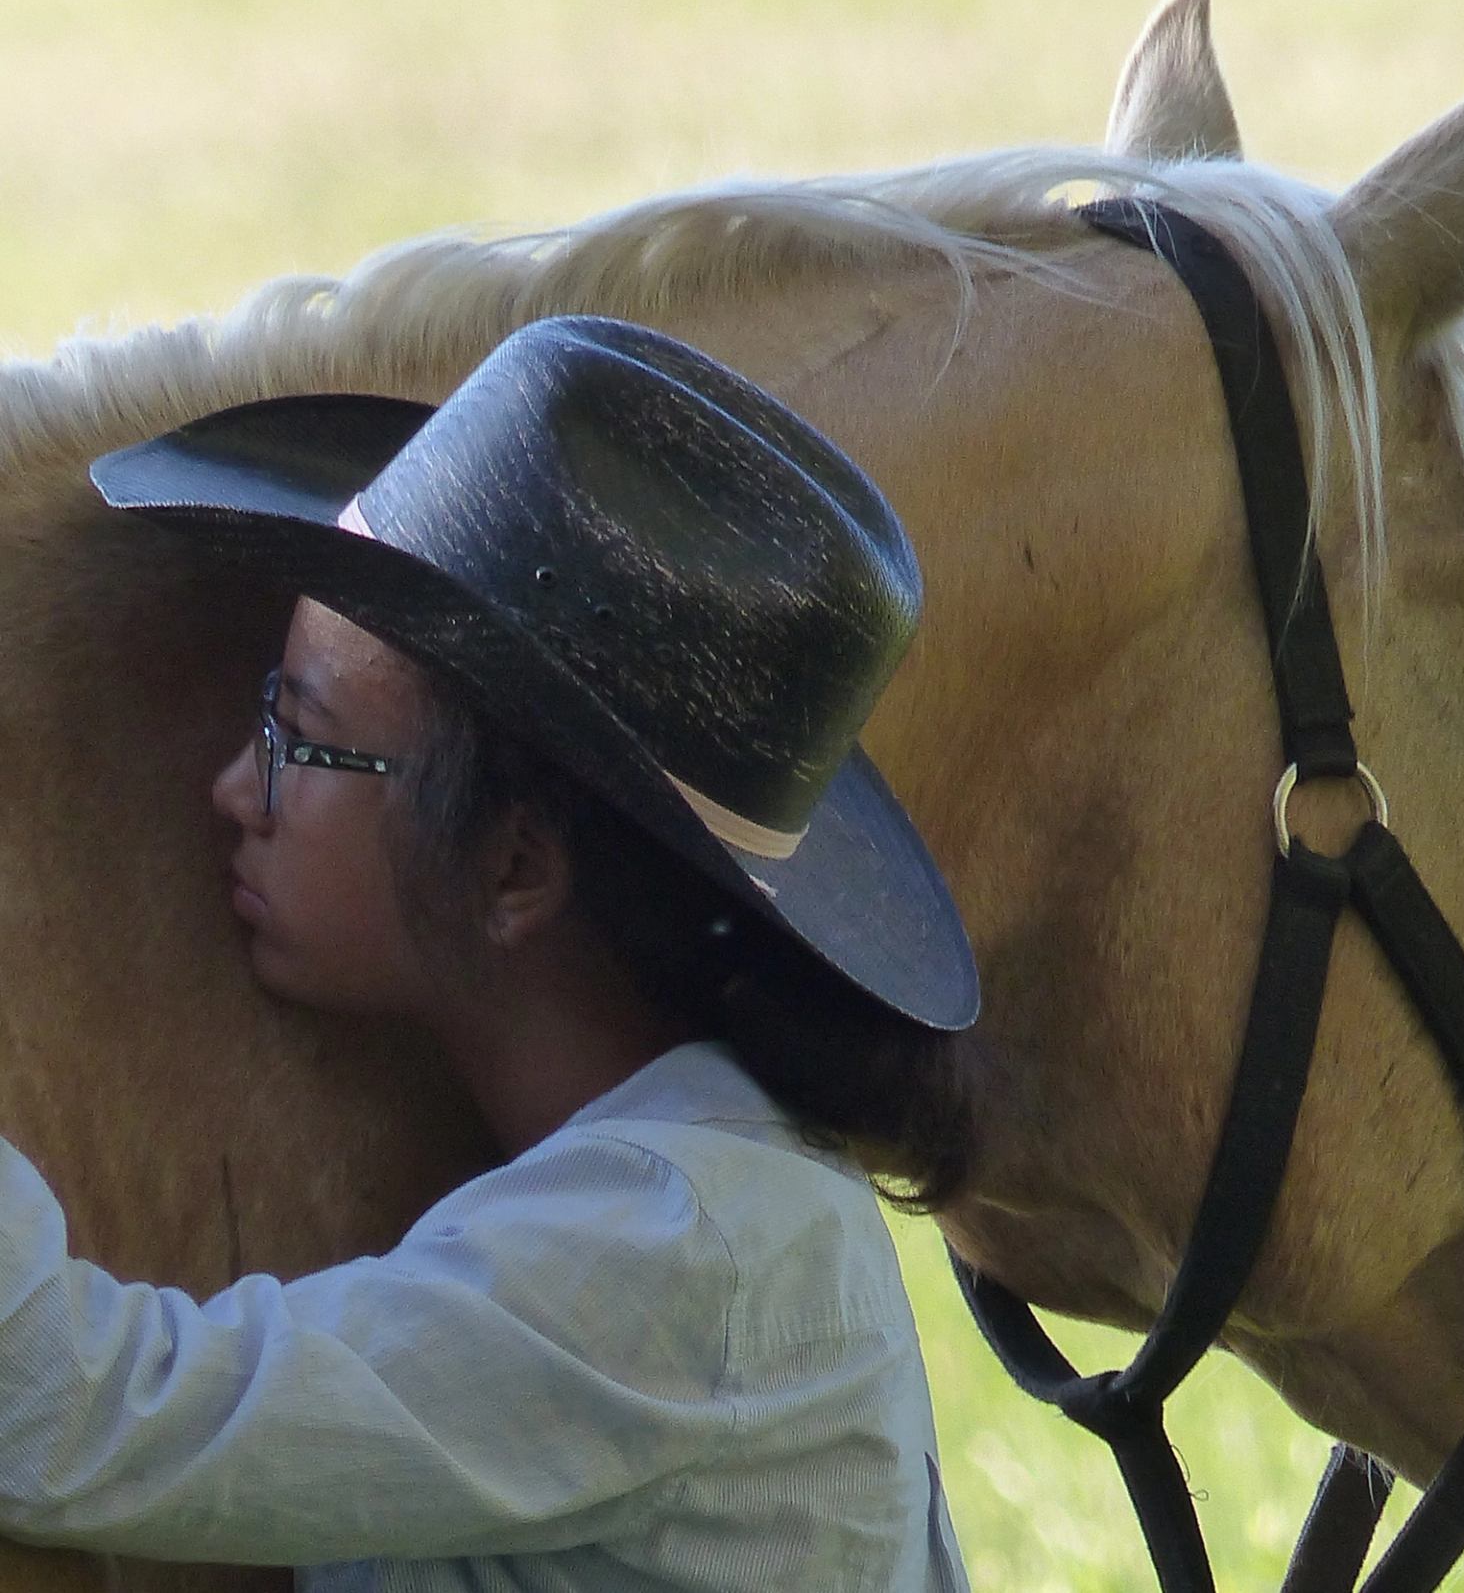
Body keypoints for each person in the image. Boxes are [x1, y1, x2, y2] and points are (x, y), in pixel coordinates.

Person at [0, 315, 979, 1590]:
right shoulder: (713, 1189)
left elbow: (72, 1420)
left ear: (512, 868)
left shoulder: (672, 1248)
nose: (237, 788)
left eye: (299, 734)